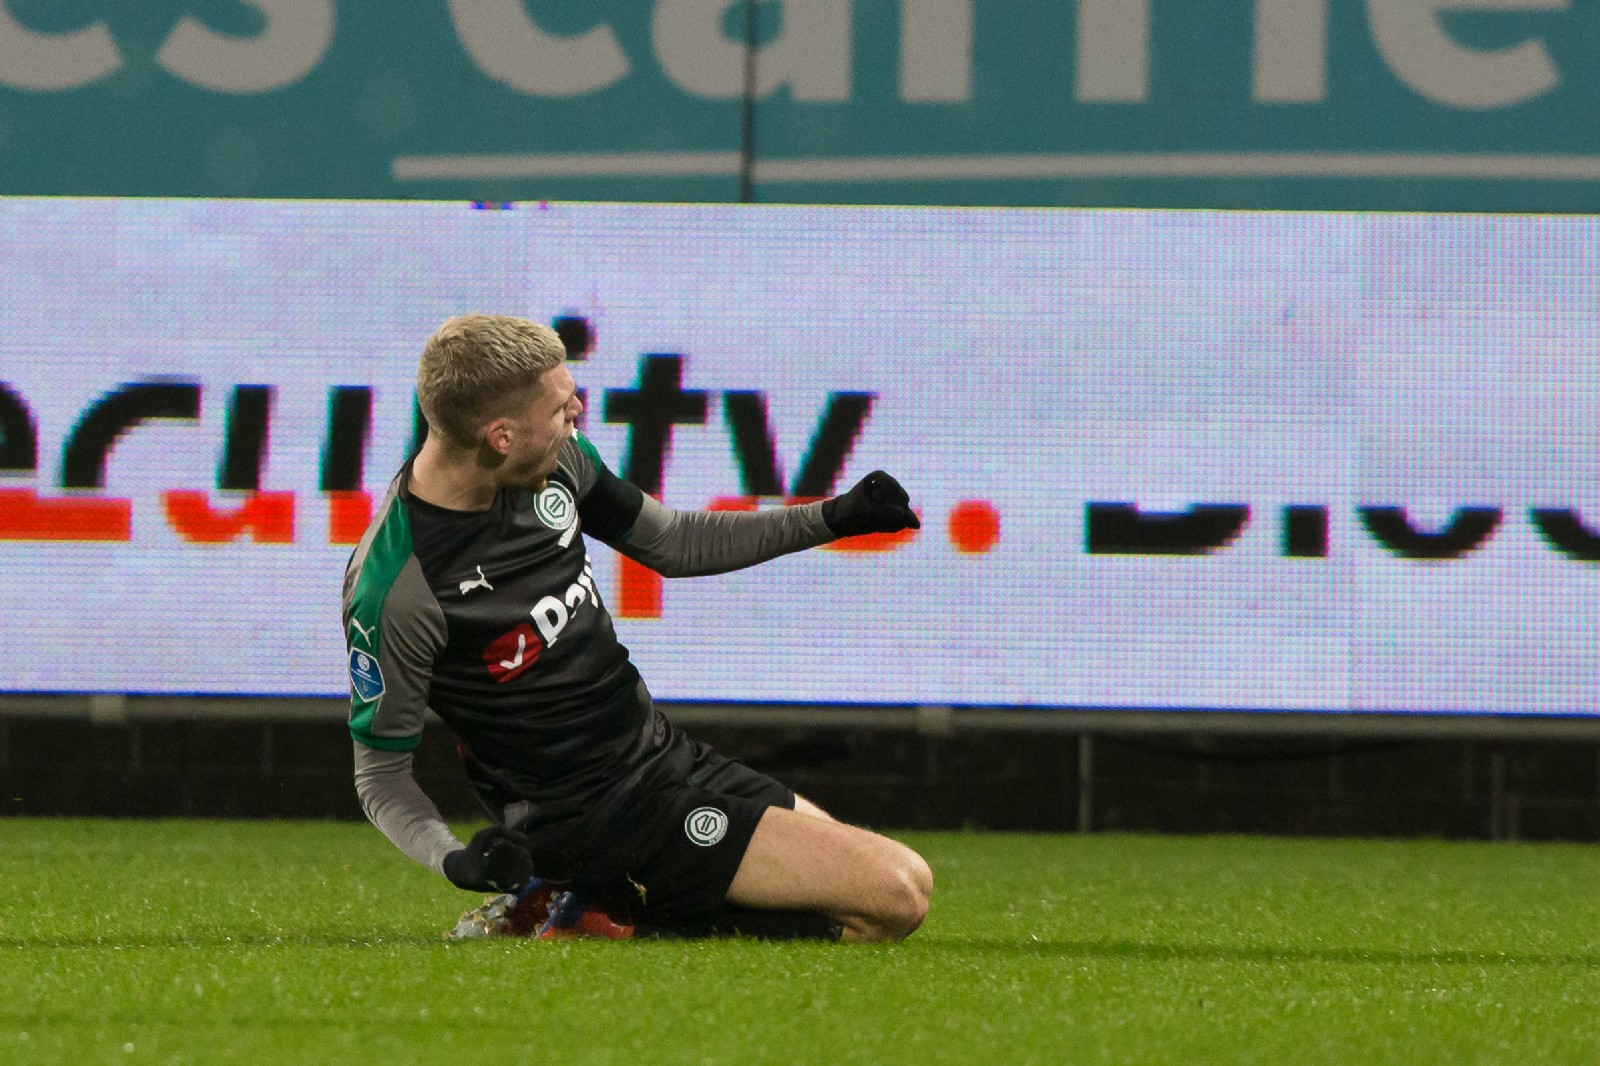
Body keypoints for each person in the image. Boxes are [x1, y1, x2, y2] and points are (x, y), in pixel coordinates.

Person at [343, 313, 931, 942]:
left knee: (903, 880)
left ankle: (580, 905)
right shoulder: (397, 588)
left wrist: (832, 518)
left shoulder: (558, 462)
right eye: (561, 407)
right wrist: (455, 861)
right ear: (501, 436)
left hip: (662, 757)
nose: (577, 413)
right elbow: (381, 778)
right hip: (589, 819)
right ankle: (590, 909)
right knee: (894, 898)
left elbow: (673, 542)